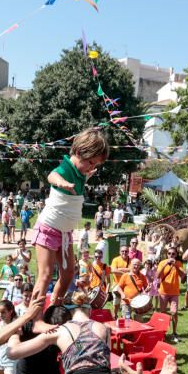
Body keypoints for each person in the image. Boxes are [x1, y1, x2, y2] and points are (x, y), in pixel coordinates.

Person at [36, 128, 110, 306]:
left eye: (95, 165)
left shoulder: (81, 173)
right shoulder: (66, 168)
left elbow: (82, 178)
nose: (92, 167)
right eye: (90, 162)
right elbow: (51, 175)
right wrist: (60, 182)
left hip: (65, 233)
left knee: (69, 272)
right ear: (78, 153)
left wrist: (87, 175)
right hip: (49, 227)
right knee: (45, 275)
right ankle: (35, 318)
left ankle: (55, 306)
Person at [157, 246, 186, 339]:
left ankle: (174, 332)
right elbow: (157, 275)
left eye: (173, 254)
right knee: (163, 313)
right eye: (169, 253)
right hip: (163, 292)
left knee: (174, 312)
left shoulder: (179, 263)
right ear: (167, 254)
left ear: (176, 255)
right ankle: (162, 332)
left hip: (174, 292)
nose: (171, 255)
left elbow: (182, 276)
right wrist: (165, 264)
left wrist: (176, 266)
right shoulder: (162, 263)